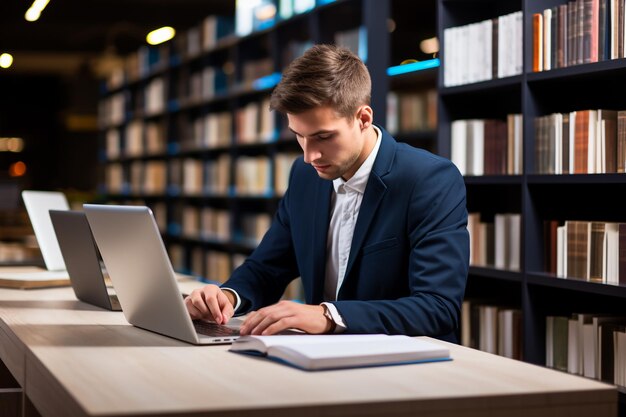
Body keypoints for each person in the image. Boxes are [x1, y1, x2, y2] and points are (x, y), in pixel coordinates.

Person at [185, 43, 469, 342]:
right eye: (299, 136)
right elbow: (267, 267)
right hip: (321, 360)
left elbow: (437, 308)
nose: (310, 156)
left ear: (363, 118)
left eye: (323, 137)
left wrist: (327, 315)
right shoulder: (304, 176)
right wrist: (226, 297)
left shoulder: (429, 179)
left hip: (407, 367)